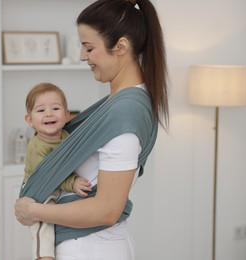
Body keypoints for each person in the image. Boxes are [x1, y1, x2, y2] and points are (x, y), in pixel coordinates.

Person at [15, 0, 169, 259]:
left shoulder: (125, 112)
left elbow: (106, 210)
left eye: (89, 47)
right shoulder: (116, 105)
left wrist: (34, 211)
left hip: (92, 248)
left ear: (120, 47)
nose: (82, 56)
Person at [23, 82, 92, 260]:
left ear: (67, 115)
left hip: (57, 187)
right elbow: (48, 176)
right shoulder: (37, 147)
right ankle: (43, 256)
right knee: (43, 225)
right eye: (40, 110)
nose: (49, 114)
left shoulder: (66, 136)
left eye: (55, 108)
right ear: (29, 120)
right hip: (39, 191)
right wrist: (72, 182)